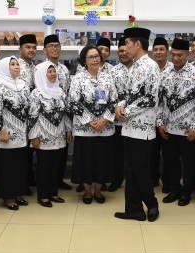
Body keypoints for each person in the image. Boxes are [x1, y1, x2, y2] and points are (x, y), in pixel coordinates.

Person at [114, 27, 160, 222]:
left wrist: (127, 112)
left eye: (127, 43)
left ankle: (152, 204)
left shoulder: (151, 66)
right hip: (129, 127)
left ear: (137, 45)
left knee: (141, 170)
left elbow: (150, 98)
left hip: (143, 129)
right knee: (130, 170)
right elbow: (129, 95)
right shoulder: (135, 67)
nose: (125, 48)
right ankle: (134, 209)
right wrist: (120, 105)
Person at [69, 46, 117, 204]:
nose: (95, 59)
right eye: (91, 57)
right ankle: (87, 191)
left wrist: (104, 120)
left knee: (102, 160)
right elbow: (74, 103)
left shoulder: (108, 78)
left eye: (97, 56)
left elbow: (113, 101)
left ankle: (98, 191)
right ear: (84, 61)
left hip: (105, 128)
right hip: (85, 129)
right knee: (86, 161)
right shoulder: (78, 79)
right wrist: (90, 121)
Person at [157, 38, 195, 206]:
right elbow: (160, 102)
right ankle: (175, 189)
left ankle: (186, 192)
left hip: (188, 130)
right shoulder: (165, 73)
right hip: (168, 128)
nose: (175, 58)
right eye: (173, 54)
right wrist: (160, 123)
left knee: (188, 164)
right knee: (170, 162)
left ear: (187, 54)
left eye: (179, 55)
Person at [28, 61, 72, 207]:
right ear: (42, 74)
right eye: (49, 72)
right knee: (44, 167)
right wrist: (33, 136)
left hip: (59, 135)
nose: (53, 74)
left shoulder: (59, 92)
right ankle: (43, 195)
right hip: (43, 137)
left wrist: (68, 129)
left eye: (54, 72)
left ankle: (53, 193)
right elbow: (32, 116)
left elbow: (65, 114)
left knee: (55, 166)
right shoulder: (36, 94)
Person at [0, 56, 30, 210]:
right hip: (6, 132)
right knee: (7, 165)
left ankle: (18, 192)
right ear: (3, 67)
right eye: (12, 64)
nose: (16, 66)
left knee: (20, 164)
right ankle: (8, 196)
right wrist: (1, 130)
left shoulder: (24, 85)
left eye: (17, 64)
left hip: (22, 132)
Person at [42, 34, 73, 191]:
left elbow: (66, 96)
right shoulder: (40, 69)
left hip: (62, 117)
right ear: (45, 50)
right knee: (47, 155)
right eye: (51, 46)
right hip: (46, 118)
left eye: (57, 45)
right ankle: (46, 184)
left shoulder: (65, 70)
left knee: (62, 151)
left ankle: (58, 180)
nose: (55, 48)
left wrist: (68, 125)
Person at [108, 37, 131, 192]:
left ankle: (133, 181)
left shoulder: (140, 69)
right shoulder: (113, 71)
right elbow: (110, 95)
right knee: (116, 154)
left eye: (125, 50)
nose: (123, 53)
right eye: (120, 51)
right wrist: (117, 109)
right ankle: (116, 180)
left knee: (133, 154)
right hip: (117, 120)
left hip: (135, 120)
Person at [151, 36, 172, 193]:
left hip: (166, 120)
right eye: (156, 49)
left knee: (167, 153)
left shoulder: (172, 69)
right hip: (149, 119)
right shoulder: (149, 68)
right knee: (151, 152)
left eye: (161, 49)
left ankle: (167, 181)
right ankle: (152, 179)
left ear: (167, 51)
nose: (158, 52)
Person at [18, 34, 38, 195]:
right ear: (20, 49)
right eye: (28, 47)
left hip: (34, 116)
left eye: (33, 47)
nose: (31, 50)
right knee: (22, 153)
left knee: (29, 150)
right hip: (20, 117)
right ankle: (22, 184)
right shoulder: (16, 66)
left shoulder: (35, 67)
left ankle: (29, 180)